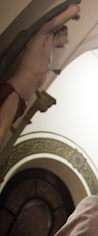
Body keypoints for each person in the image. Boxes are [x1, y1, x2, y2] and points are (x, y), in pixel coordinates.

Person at [0, 2, 81, 146]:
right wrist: (74, 10)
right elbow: (69, 11)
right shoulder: (43, 35)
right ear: (60, 31)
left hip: (21, 101)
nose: (67, 40)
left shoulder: (48, 54)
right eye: (66, 35)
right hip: (14, 91)